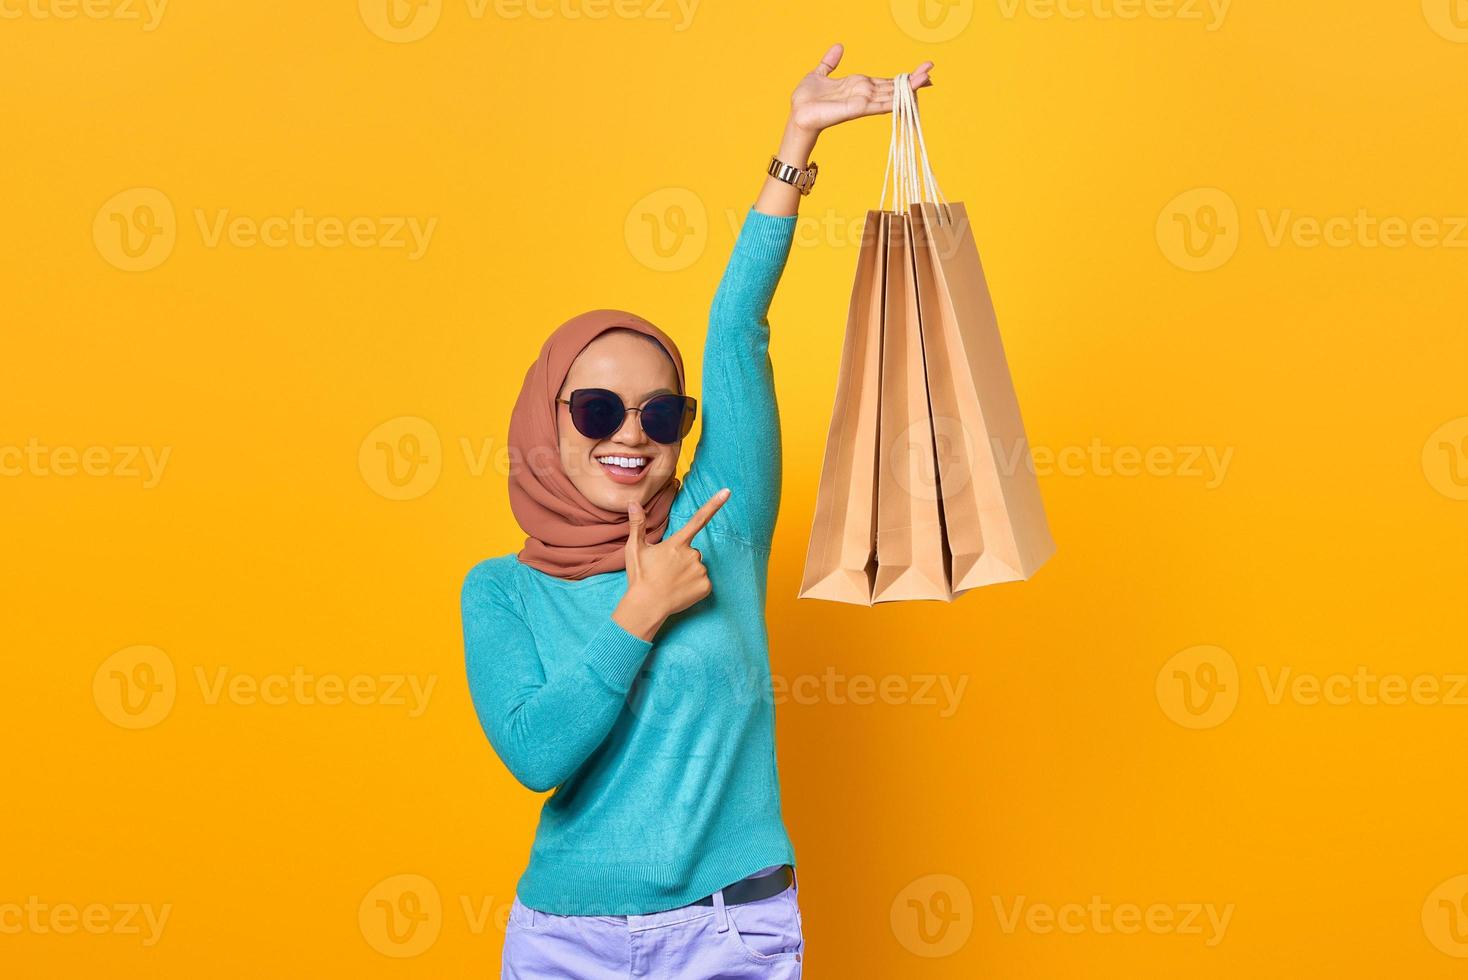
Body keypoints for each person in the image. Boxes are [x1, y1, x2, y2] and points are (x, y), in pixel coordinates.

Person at [461, 44, 934, 979]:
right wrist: (638, 613)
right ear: (543, 418)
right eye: (595, 411)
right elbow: (535, 753)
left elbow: (736, 328)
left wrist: (795, 143)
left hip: (730, 934)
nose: (628, 436)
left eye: (660, 412)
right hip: (564, 941)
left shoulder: (725, 521)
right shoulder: (500, 591)